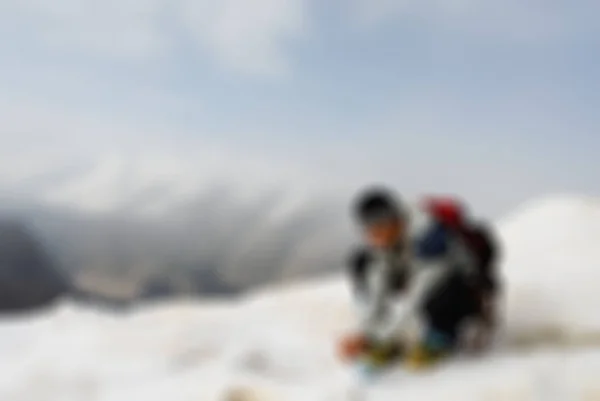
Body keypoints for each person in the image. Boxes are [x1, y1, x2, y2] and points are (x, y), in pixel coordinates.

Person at [338, 186, 500, 370]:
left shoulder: (430, 237)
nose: (375, 236)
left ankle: (441, 338)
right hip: (423, 285)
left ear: (393, 219)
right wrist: (366, 334)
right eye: (369, 230)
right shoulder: (384, 242)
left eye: (379, 228)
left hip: (466, 290)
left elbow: (418, 296)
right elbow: (377, 291)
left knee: (441, 293)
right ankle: (392, 341)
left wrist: (381, 336)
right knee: (362, 264)